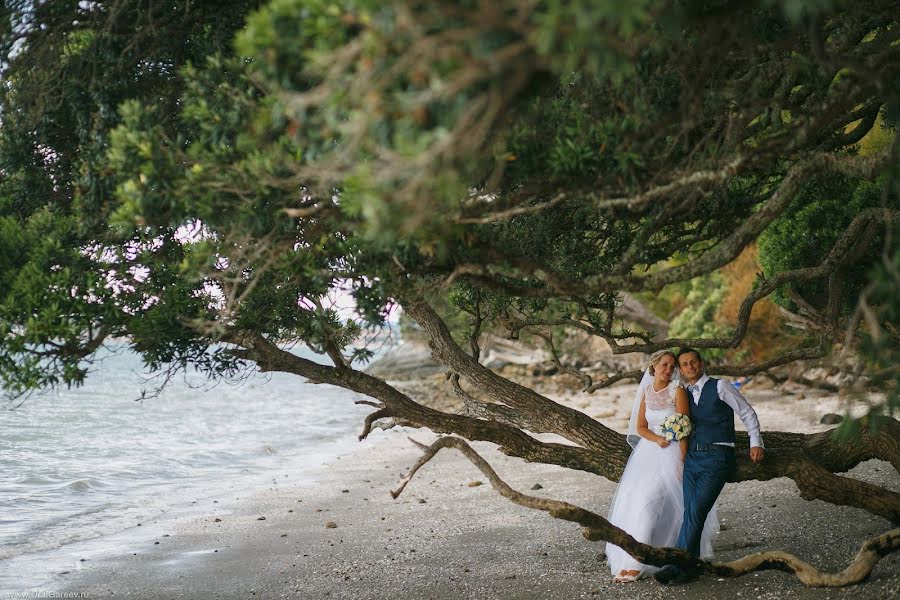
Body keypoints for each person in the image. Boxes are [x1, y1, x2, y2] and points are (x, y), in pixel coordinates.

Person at [654, 348, 765, 586]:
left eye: (693, 361)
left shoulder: (721, 386)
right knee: (689, 513)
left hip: (717, 457)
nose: (690, 366)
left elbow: (746, 412)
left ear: (701, 363)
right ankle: (688, 566)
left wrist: (756, 442)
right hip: (693, 458)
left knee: (695, 513)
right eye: (684, 364)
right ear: (681, 370)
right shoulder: (683, 392)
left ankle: (678, 566)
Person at [605, 350, 719, 582]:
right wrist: (657, 439)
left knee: (664, 504)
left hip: (673, 452)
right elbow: (641, 427)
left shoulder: (677, 390)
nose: (668, 370)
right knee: (639, 502)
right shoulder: (646, 391)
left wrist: (684, 461)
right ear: (654, 367)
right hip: (648, 453)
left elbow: (685, 428)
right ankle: (630, 559)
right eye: (664, 365)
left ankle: (644, 561)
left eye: (671, 366)